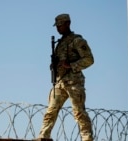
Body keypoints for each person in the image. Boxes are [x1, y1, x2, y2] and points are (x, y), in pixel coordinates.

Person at [38, 13, 94, 141]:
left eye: (60, 25)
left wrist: (71, 65)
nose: (58, 28)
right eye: (57, 26)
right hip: (60, 82)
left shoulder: (77, 40)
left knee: (79, 112)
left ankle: (87, 138)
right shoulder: (60, 43)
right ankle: (44, 135)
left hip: (74, 82)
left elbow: (89, 59)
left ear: (68, 24)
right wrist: (54, 65)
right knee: (50, 111)